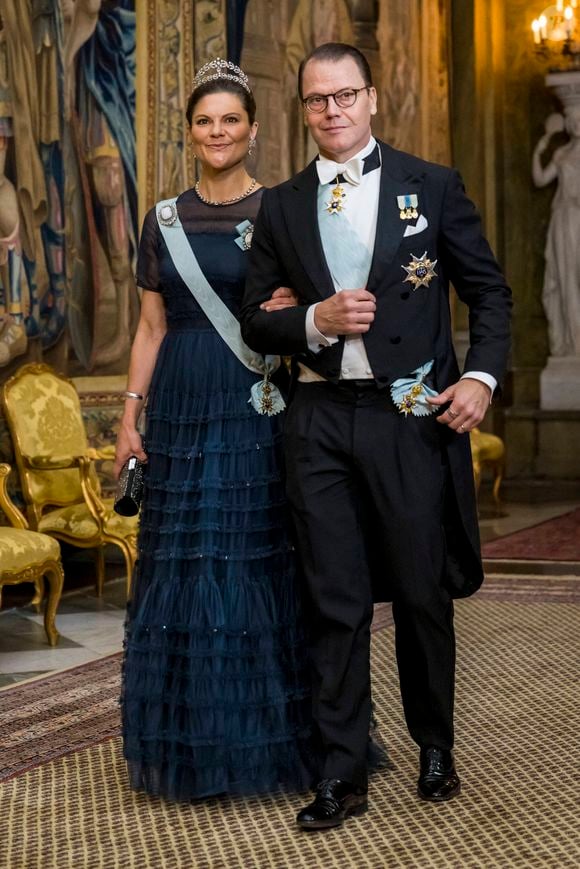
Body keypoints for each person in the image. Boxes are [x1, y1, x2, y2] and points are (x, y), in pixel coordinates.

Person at [241, 42, 511, 830]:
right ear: (304, 108)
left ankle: (435, 745)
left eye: (345, 95)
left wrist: (481, 379)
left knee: (423, 593)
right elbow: (258, 318)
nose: (332, 110)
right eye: (317, 99)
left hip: (412, 415)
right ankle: (340, 773)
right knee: (335, 599)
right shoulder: (283, 205)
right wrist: (311, 320)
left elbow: (490, 296)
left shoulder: (432, 185)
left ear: (370, 99)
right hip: (318, 420)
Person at [114, 59, 315, 801]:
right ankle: (194, 739)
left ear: (253, 128)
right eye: (205, 121)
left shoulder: (281, 211)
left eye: (231, 119)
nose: (218, 131)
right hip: (180, 400)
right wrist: (130, 416)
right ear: (191, 132)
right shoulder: (161, 220)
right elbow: (148, 326)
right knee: (185, 561)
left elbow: (307, 309)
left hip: (254, 396)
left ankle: (260, 738)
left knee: (252, 558)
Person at [532, 106, 580, 357]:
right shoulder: (561, 153)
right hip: (564, 217)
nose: (576, 123)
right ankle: (572, 343)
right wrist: (541, 147)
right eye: (572, 120)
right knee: (566, 279)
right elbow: (540, 179)